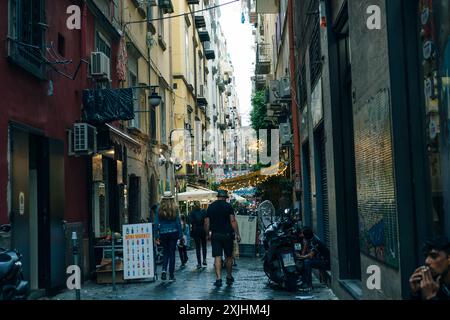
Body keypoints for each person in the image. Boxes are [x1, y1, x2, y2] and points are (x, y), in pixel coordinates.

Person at [205, 190, 241, 287]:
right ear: (225, 197)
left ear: (218, 197)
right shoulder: (228, 206)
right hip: (227, 235)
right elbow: (232, 221)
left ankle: (218, 278)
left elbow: (207, 222)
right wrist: (237, 234)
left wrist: (207, 234)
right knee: (229, 256)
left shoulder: (211, 206)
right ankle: (229, 277)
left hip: (215, 235)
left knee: (217, 256)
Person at [409, 236, 450, 300]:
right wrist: (416, 294)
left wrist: (431, 296)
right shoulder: (433, 282)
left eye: (434, 256)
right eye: (426, 256)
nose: (426, 261)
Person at [155, 192, 182, 281]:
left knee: (165, 252)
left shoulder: (159, 209)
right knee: (172, 254)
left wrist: (156, 235)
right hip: (173, 233)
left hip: (163, 233)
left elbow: (156, 223)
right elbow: (178, 223)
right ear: (172, 199)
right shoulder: (175, 209)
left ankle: (163, 270)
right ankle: (171, 275)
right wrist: (181, 235)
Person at [297, 227, 330, 291]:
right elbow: (304, 253)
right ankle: (304, 281)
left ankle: (309, 286)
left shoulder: (315, 241)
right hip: (320, 260)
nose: (302, 237)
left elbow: (311, 256)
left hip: (326, 263)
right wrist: (305, 245)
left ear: (307, 236)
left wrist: (301, 257)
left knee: (307, 262)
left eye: (303, 236)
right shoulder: (310, 240)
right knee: (304, 261)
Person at [190, 201, 208, 269]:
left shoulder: (192, 212)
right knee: (204, 245)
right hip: (202, 229)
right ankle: (204, 259)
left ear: (194, 205)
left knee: (198, 247)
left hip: (195, 230)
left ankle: (199, 263)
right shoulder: (203, 211)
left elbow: (191, 222)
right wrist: (207, 232)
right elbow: (206, 222)